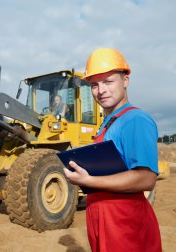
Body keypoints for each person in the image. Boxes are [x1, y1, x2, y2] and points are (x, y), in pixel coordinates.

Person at [63, 48, 162, 252]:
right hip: (102, 216)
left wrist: (89, 181)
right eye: (94, 85)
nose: (101, 90)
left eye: (108, 82)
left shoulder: (135, 120)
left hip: (124, 222)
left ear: (125, 80)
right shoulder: (108, 122)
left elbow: (146, 179)